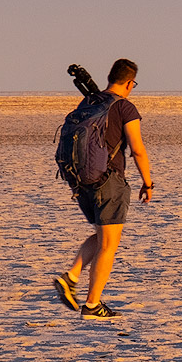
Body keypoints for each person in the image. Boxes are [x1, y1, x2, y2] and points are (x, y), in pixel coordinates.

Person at [52, 58, 155, 320]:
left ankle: (71, 276)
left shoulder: (89, 103)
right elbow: (138, 150)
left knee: (101, 236)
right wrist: (148, 182)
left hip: (82, 180)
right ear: (130, 83)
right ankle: (92, 305)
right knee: (109, 244)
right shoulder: (125, 108)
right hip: (109, 181)